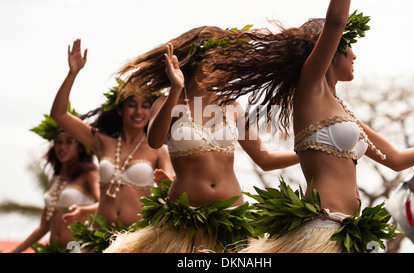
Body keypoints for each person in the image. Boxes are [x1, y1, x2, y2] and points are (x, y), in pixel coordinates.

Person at [200, 0, 414, 252]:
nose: (354, 55)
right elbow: (336, 22)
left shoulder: (345, 112)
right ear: (333, 49)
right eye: (349, 46)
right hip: (322, 229)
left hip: (351, 231)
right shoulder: (311, 88)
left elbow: (396, 159)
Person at [104, 26, 300, 253]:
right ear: (194, 60)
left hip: (230, 221)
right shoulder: (169, 104)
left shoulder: (232, 106)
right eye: (211, 58)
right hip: (184, 222)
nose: (217, 64)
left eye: (221, 59)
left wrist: (305, 153)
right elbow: (155, 141)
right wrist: (176, 89)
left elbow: (264, 158)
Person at [50, 39, 174, 232]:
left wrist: (167, 182)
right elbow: (59, 114)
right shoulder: (101, 142)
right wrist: (72, 73)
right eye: (132, 104)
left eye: (145, 105)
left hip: (135, 240)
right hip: (99, 235)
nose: (138, 111)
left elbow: (172, 185)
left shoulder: (158, 149)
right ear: (120, 110)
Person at [5, 115, 99, 253]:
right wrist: (13, 251)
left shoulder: (89, 173)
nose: (62, 147)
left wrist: (82, 210)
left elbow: (104, 203)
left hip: (79, 249)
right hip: (54, 249)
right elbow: (44, 227)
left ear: (80, 147)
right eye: (58, 142)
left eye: (69, 142)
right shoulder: (55, 178)